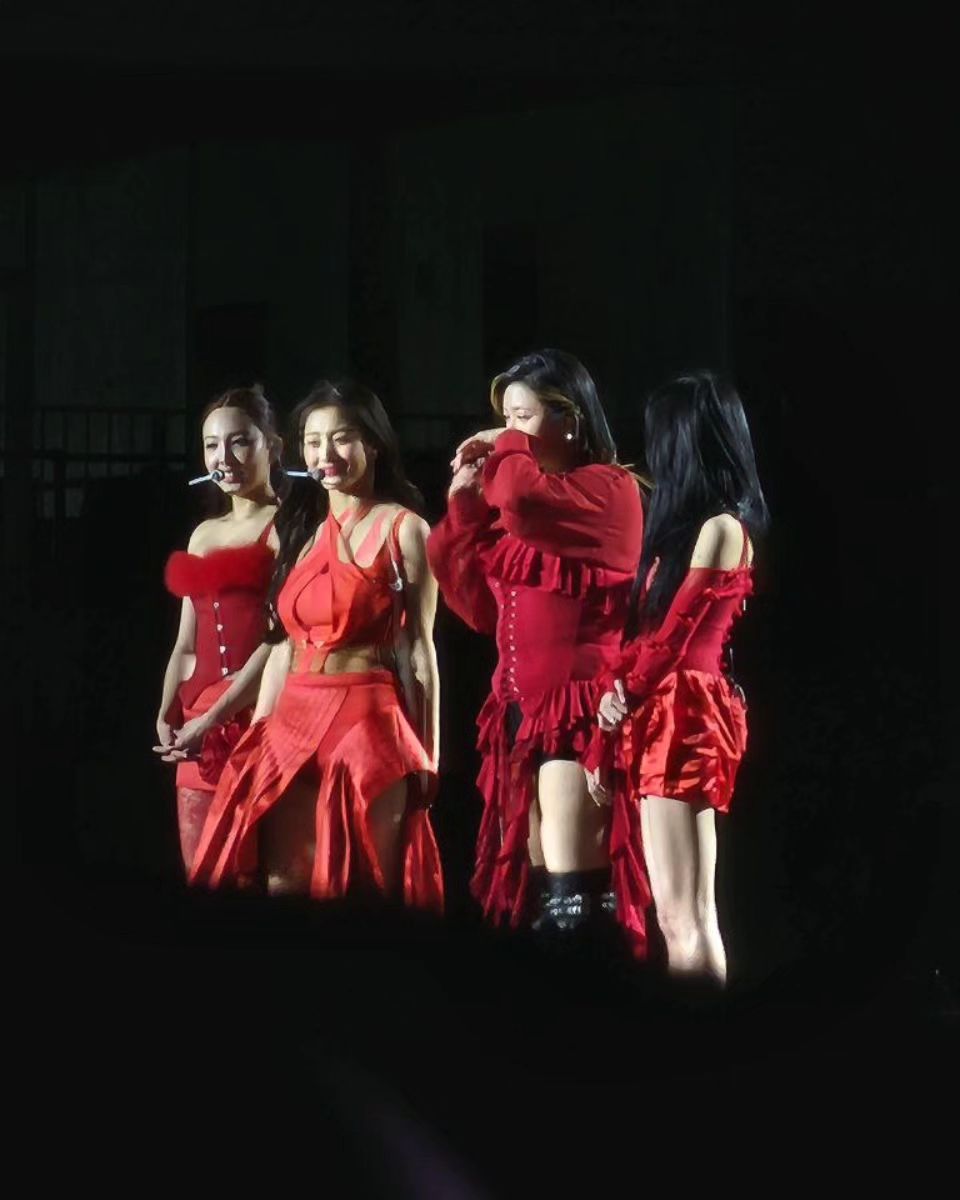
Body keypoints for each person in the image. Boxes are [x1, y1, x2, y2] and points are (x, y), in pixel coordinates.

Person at [190, 380, 443, 909]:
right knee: (283, 883)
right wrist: (261, 729)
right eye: (312, 441)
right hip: (294, 716)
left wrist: (429, 751)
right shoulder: (300, 528)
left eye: (341, 437)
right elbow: (282, 643)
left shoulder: (405, 529)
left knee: (364, 890)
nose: (324, 453)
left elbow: (419, 650)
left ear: (373, 444)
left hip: (367, 720)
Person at [428, 349, 643, 940]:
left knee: (573, 905)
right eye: (506, 419)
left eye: (522, 417)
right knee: (536, 901)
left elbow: (523, 500)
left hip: (577, 709)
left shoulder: (607, 489)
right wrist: (465, 503)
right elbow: (475, 603)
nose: (507, 433)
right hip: (520, 716)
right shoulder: (527, 503)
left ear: (570, 420)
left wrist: (504, 447)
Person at [585, 369, 769, 977]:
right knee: (675, 914)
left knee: (687, 914)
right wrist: (616, 698)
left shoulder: (722, 528)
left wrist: (616, 710)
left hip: (683, 713)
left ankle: (704, 1028)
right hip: (661, 707)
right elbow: (646, 638)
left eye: (660, 436)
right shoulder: (685, 532)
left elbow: (673, 638)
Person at [155, 385, 281, 872]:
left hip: (259, 714)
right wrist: (167, 709)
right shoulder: (203, 533)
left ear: (272, 446)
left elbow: (279, 641)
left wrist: (215, 717)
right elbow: (186, 644)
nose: (222, 458)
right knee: (202, 870)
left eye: (239, 441)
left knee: (254, 870)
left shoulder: (288, 527)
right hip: (196, 724)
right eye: (211, 445)